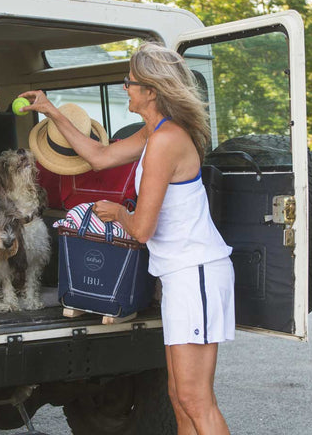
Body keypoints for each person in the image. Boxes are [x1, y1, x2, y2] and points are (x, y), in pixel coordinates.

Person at [20, 42, 235, 435]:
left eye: (130, 82)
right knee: (177, 395)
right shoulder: (152, 133)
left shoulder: (166, 141)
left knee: (195, 400)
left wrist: (117, 212)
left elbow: (141, 229)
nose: (125, 89)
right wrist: (51, 110)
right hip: (180, 275)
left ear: (151, 91)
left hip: (196, 274)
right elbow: (99, 156)